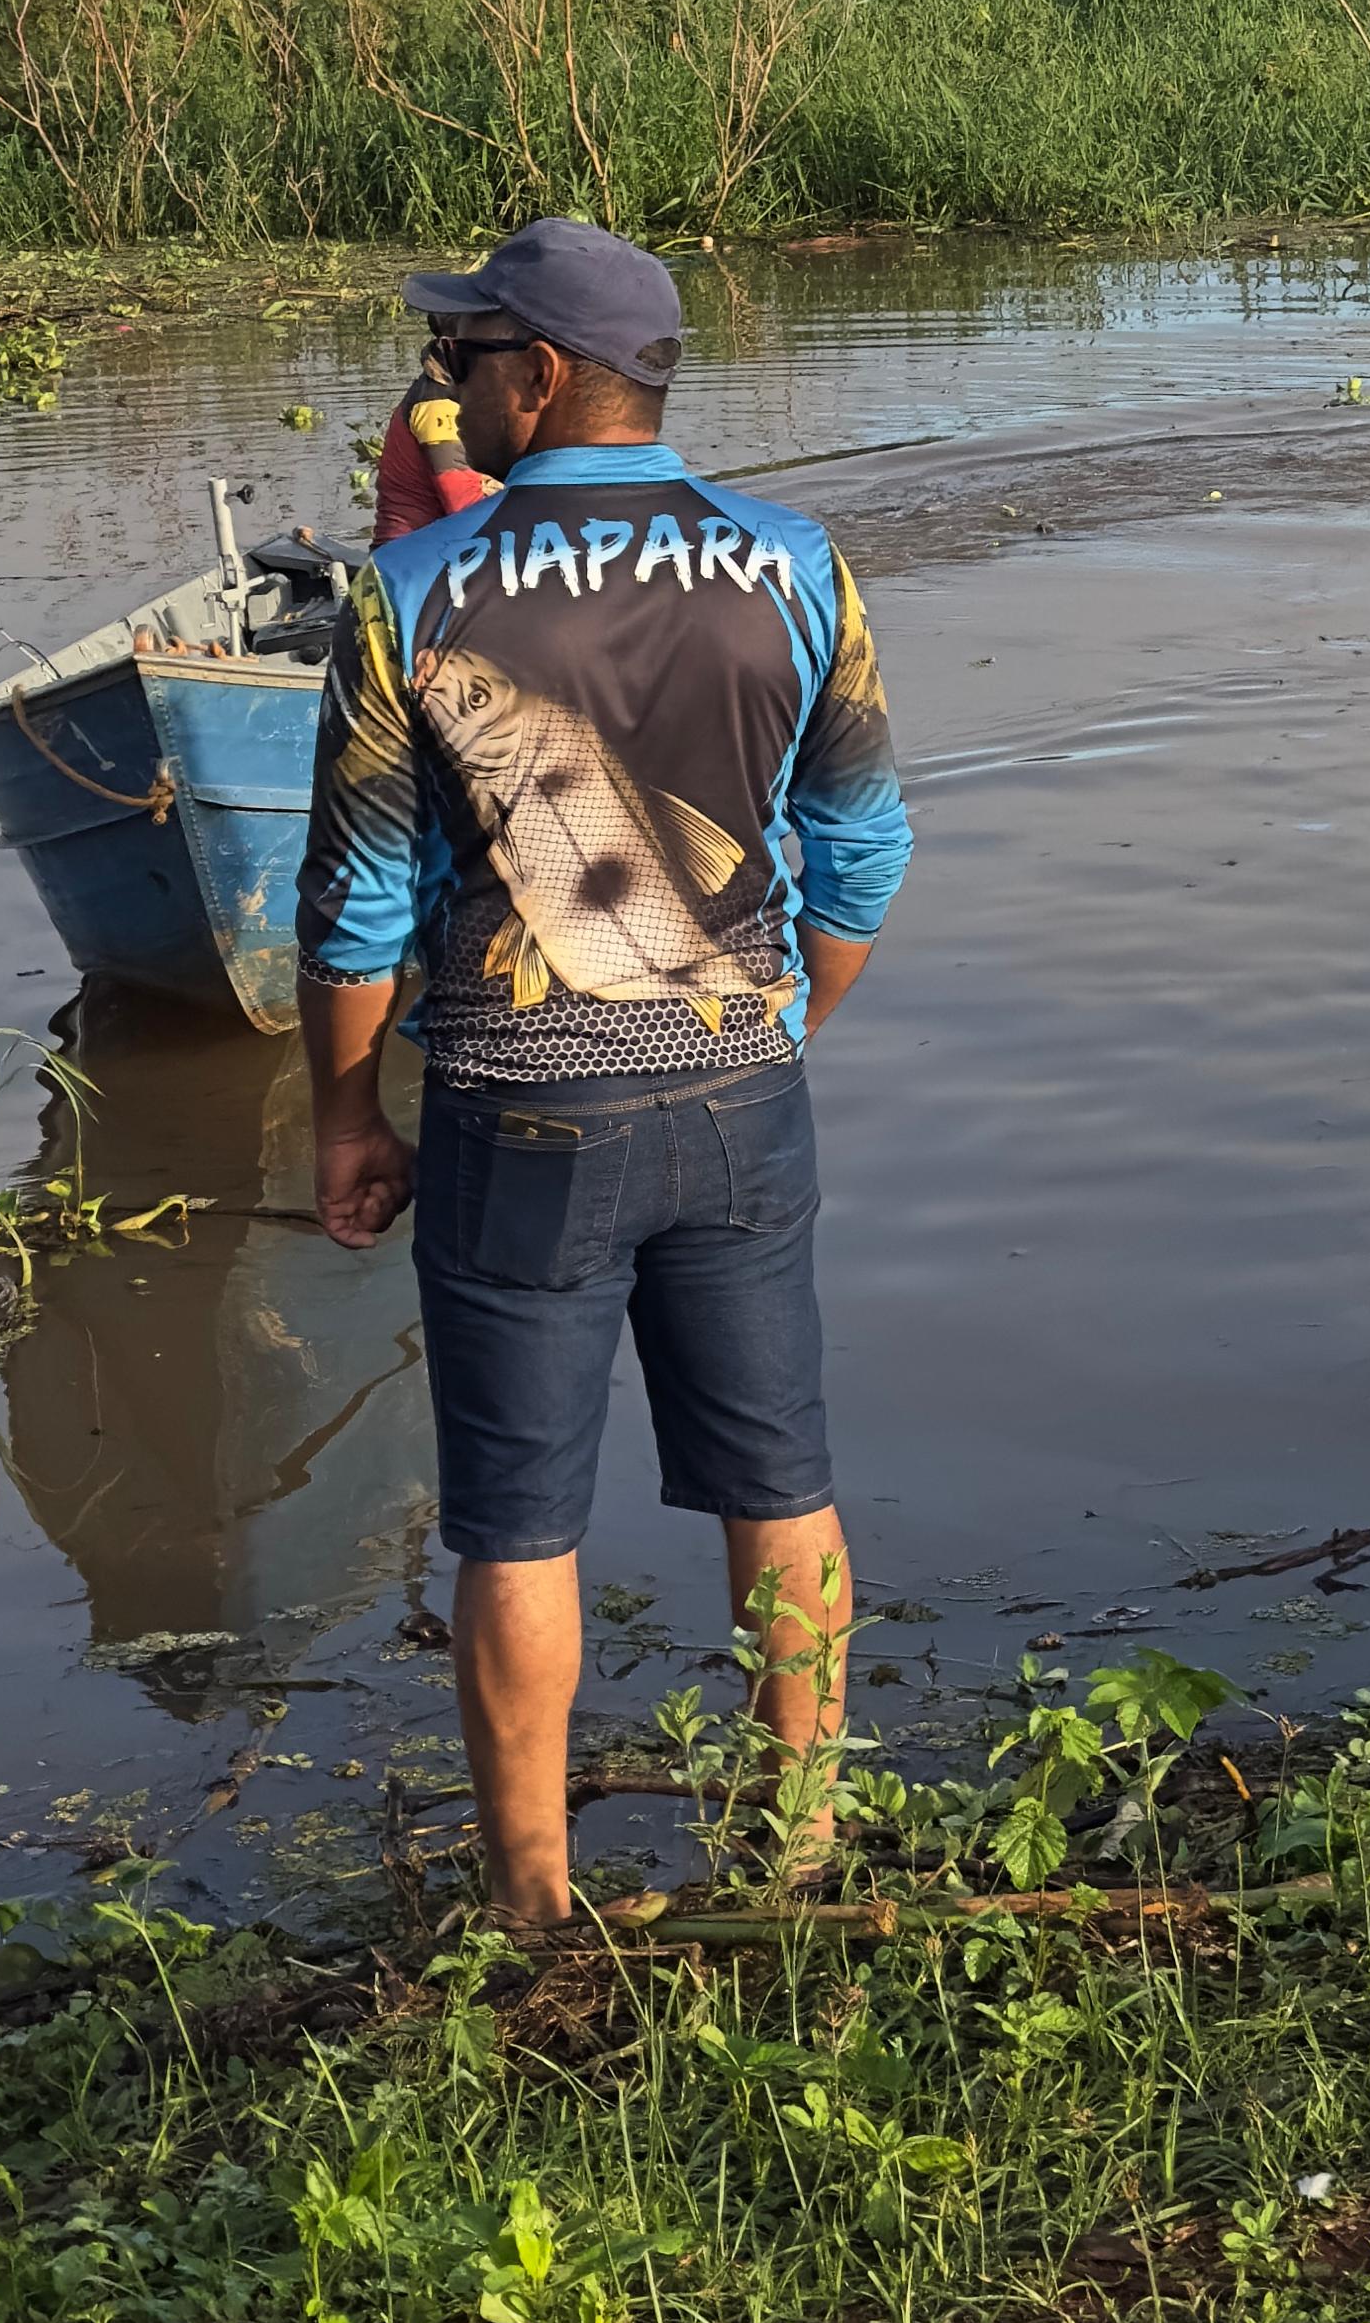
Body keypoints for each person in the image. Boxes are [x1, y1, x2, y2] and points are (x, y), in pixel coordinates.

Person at [294, 217, 915, 1924]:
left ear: (546, 375)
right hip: (739, 1099)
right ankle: (794, 1853)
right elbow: (860, 857)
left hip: (516, 1116)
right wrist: (776, 1033)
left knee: (516, 1524)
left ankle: (533, 1903)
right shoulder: (800, 568)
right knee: (781, 1487)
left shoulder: (413, 593)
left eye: (469, 353)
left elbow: (351, 906)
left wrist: (347, 1118)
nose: (447, 383)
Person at [373, 335, 500, 543]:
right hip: (411, 554)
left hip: (449, 545)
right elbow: (463, 503)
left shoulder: (473, 395)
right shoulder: (436, 404)